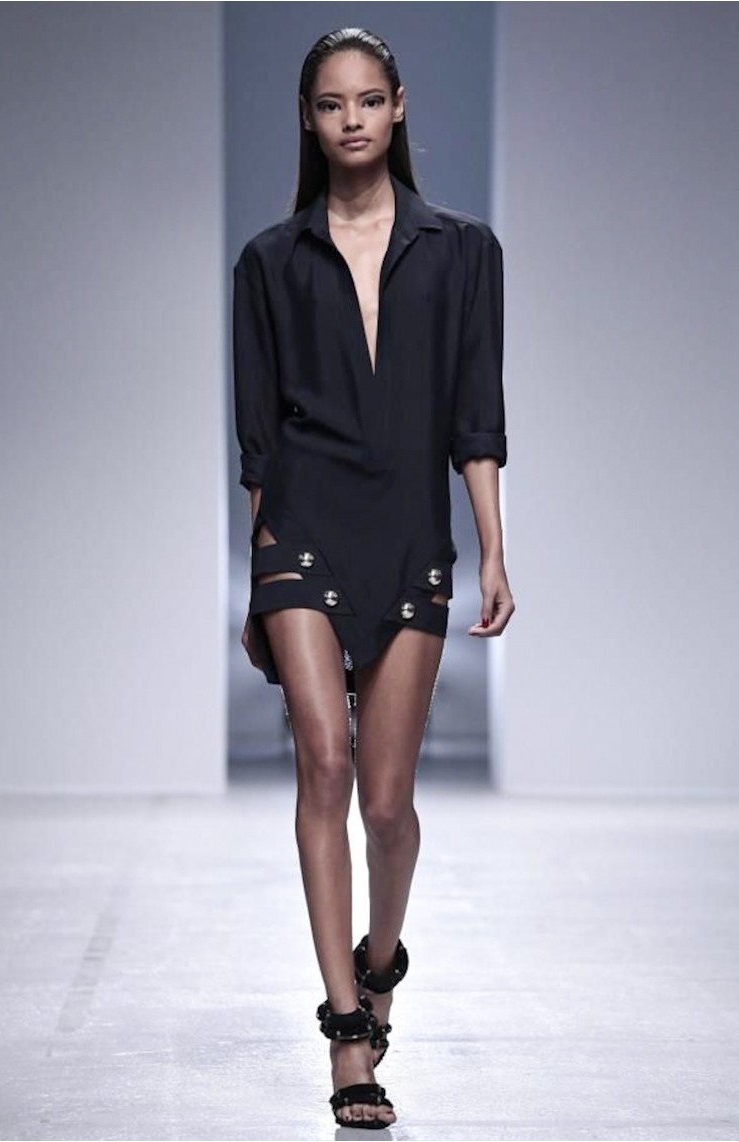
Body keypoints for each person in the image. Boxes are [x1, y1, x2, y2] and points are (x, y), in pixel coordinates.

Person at [232, 26, 515, 1129]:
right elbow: (259, 440)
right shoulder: (269, 261)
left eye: (367, 100)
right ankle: (349, 1035)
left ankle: (381, 959)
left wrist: (493, 548)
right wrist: (258, 583)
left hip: (407, 535)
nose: (349, 119)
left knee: (388, 802)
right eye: (329, 103)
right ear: (308, 121)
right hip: (299, 528)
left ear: (397, 108)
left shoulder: (464, 252)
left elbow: (476, 415)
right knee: (325, 763)